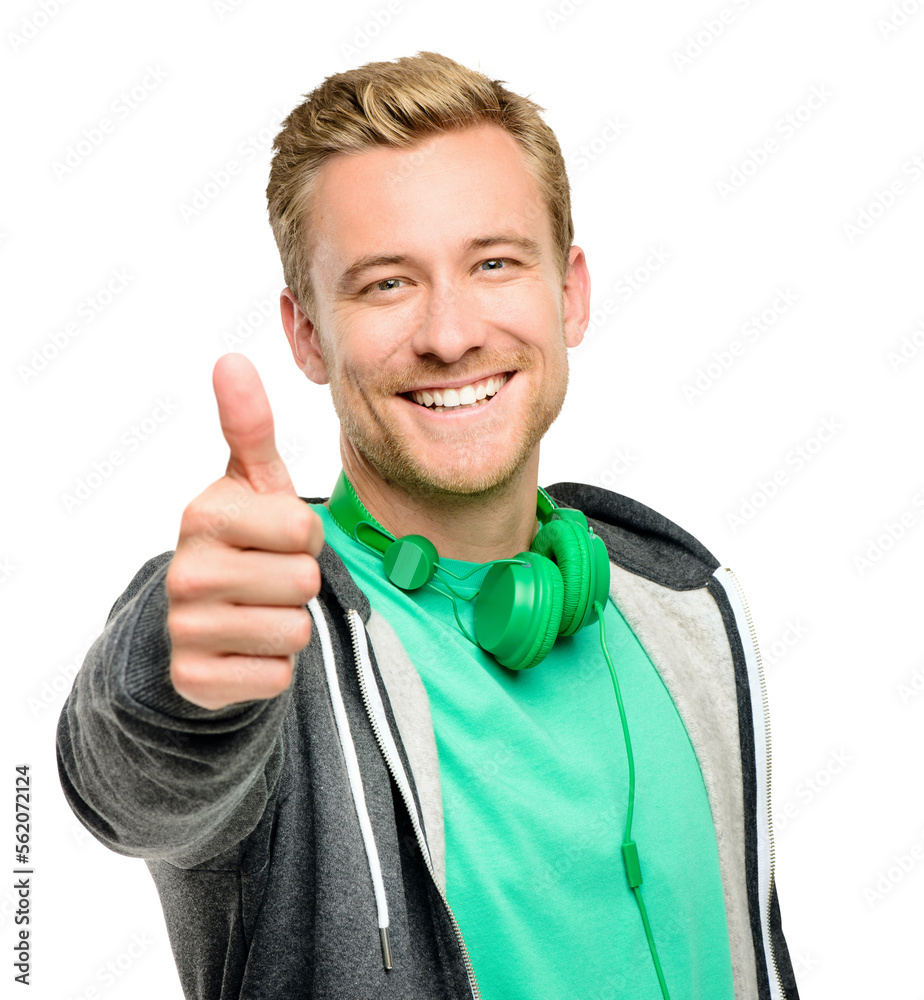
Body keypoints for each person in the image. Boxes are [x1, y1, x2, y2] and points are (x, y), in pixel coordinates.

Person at [57, 51, 800, 1000]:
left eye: (493, 264)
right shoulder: (272, 629)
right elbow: (128, 786)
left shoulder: (676, 607)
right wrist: (175, 666)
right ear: (307, 335)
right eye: (386, 284)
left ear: (568, 292)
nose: (450, 334)